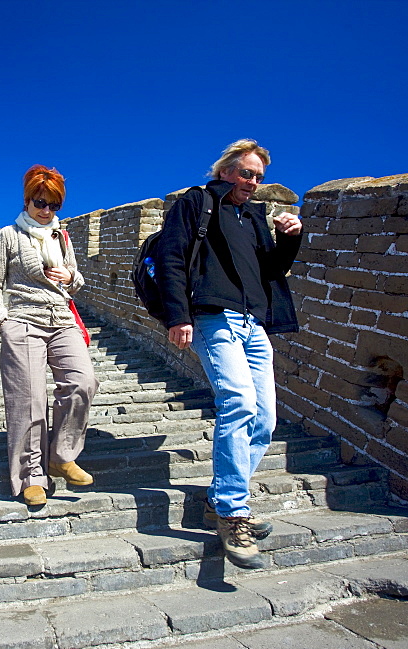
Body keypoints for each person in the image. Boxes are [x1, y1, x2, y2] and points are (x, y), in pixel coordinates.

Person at [153, 139, 303, 568]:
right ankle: (234, 512)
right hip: (212, 317)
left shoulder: (253, 216)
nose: (253, 182)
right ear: (225, 172)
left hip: (253, 324)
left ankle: (219, 499)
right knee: (237, 401)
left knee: (266, 420)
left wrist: (288, 239)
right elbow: (172, 258)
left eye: (258, 176)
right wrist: (177, 316)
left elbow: (270, 271)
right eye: (245, 173)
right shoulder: (196, 203)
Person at [0, 164, 99, 507]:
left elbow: (76, 280)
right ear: (27, 200)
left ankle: (61, 456)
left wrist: (70, 275)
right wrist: (1, 320)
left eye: (53, 205)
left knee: (83, 381)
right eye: (40, 202)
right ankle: (32, 475)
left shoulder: (61, 236)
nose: (46, 210)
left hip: (62, 318)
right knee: (28, 399)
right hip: (23, 319)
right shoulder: (8, 236)